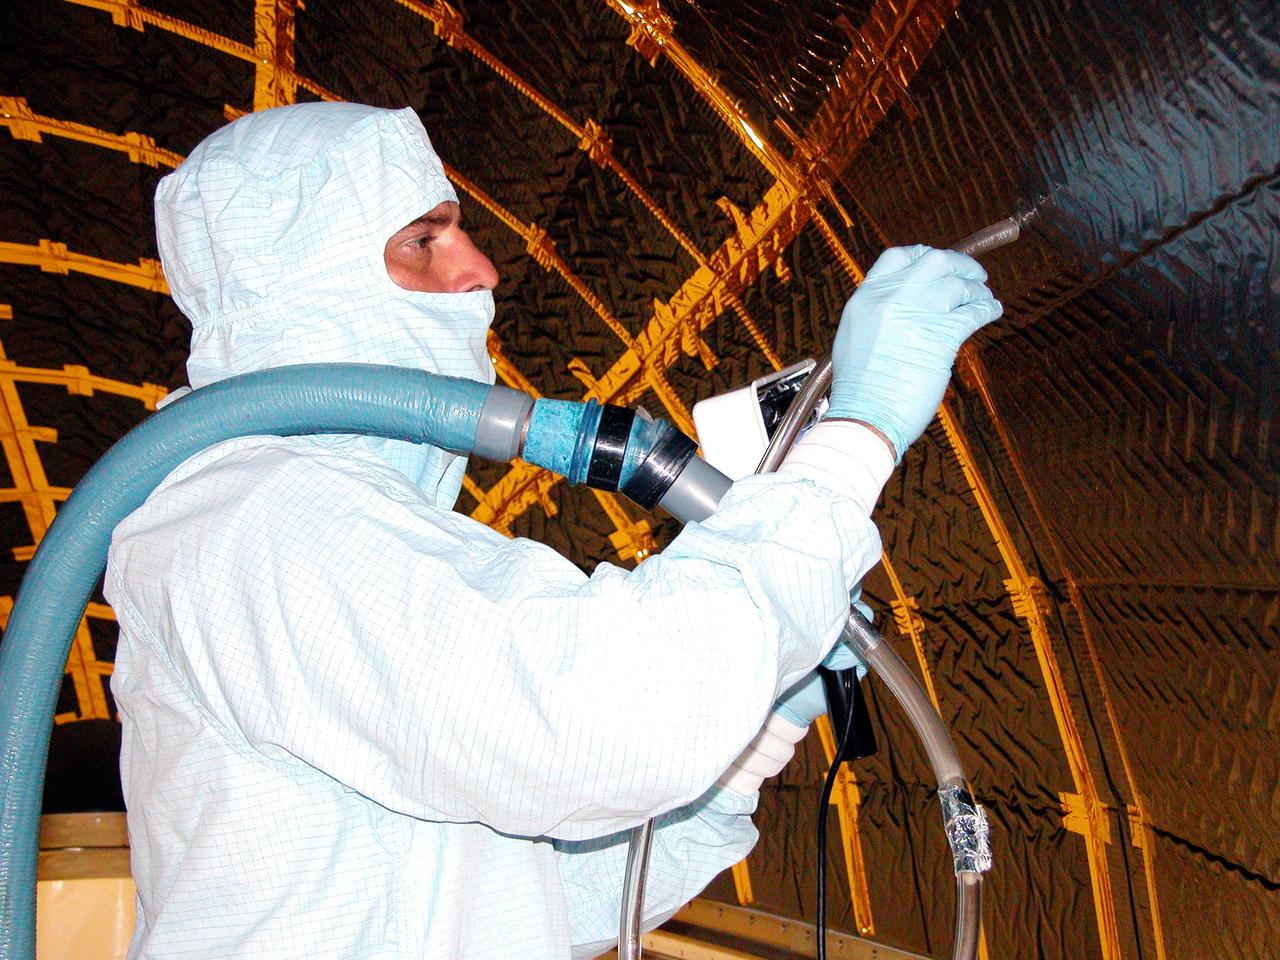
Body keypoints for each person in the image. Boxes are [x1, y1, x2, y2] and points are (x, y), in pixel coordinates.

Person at [105, 102, 1001, 959]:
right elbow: (586, 723)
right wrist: (852, 444)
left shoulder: (335, 518)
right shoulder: (257, 513)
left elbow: (522, 906)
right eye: (423, 240)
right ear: (304, 283)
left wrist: (752, 742)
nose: (481, 270)